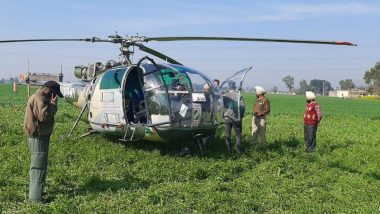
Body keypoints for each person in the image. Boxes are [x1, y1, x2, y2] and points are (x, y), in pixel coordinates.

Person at [24, 80, 63, 202]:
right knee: (38, 167)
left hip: (39, 136)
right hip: (39, 136)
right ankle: (35, 198)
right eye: (54, 94)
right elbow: (44, 116)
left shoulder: (39, 96)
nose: (55, 97)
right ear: (51, 92)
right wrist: (54, 105)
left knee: (40, 166)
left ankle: (37, 191)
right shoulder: (40, 97)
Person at [223, 85, 245, 154]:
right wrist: (240, 116)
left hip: (227, 118)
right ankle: (239, 152)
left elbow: (220, 106)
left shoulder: (224, 96)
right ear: (235, 88)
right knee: (238, 135)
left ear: (228, 88)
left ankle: (229, 151)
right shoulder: (239, 95)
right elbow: (242, 106)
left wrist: (222, 115)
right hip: (236, 118)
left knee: (227, 135)